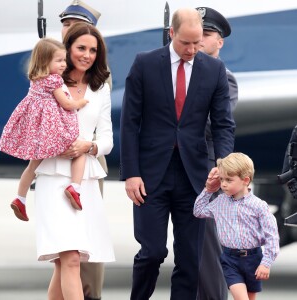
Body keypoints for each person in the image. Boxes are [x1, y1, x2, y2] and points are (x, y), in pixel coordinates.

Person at [120, 8, 235, 300]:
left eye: (197, 43)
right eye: (186, 43)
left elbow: (223, 124)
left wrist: (222, 165)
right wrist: (131, 173)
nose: (192, 50)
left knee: (190, 258)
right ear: (172, 34)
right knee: (152, 251)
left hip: (194, 177)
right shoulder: (145, 64)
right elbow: (129, 122)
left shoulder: (213, 69)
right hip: (150, 176)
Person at [34, 22, 114, 300]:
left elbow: (107, 139)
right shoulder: (49, 82)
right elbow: (33, 126)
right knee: (69, 259)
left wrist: (88, 146)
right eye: (81, 48)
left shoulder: (100, 87)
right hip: (54, 177)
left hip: (85, 181)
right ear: (67, 49)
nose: (87, 55)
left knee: (67, 262)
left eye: (93, 50)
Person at [0, 38, 88, 222]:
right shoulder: (54, 80)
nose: (64, 64)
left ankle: (20, 198)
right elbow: (66, 104)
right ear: (45, 61)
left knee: (32, 165)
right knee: (80, 151)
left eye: (64, 60)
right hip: (51, 130)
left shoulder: (35, 79)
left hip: (37, 132)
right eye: (59, 60)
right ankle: (75, 188)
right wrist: (81, 102)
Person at [59, 2, 109, 299]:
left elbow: (101, 129)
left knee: (87, 239)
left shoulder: (97, 73)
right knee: (60, 249)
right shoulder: (51, 64)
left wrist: (88, 146)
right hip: (54, 161)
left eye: (75, 24)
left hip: (87, 159)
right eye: (66, 24)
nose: (68, 28)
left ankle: (89, 293)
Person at [193, 152, 280, 300]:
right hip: (230, 259)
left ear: (245, 180)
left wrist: (266, 263)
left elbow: (272, 236)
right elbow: (198, 211)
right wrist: (208, 190)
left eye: (228, 180)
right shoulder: (220, 202)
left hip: (254, 259)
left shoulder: (259, 206)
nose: (223, 184)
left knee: (250, 297)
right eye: (221, 179)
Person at [196, 6, 239, 300]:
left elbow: (214, 125)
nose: (200, 39)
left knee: (209, 250)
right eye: (196, 33)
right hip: (181, 167)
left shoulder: (225, 77)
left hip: (208, 170)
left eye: (207, 34)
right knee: (189, 247)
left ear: (219, 42)